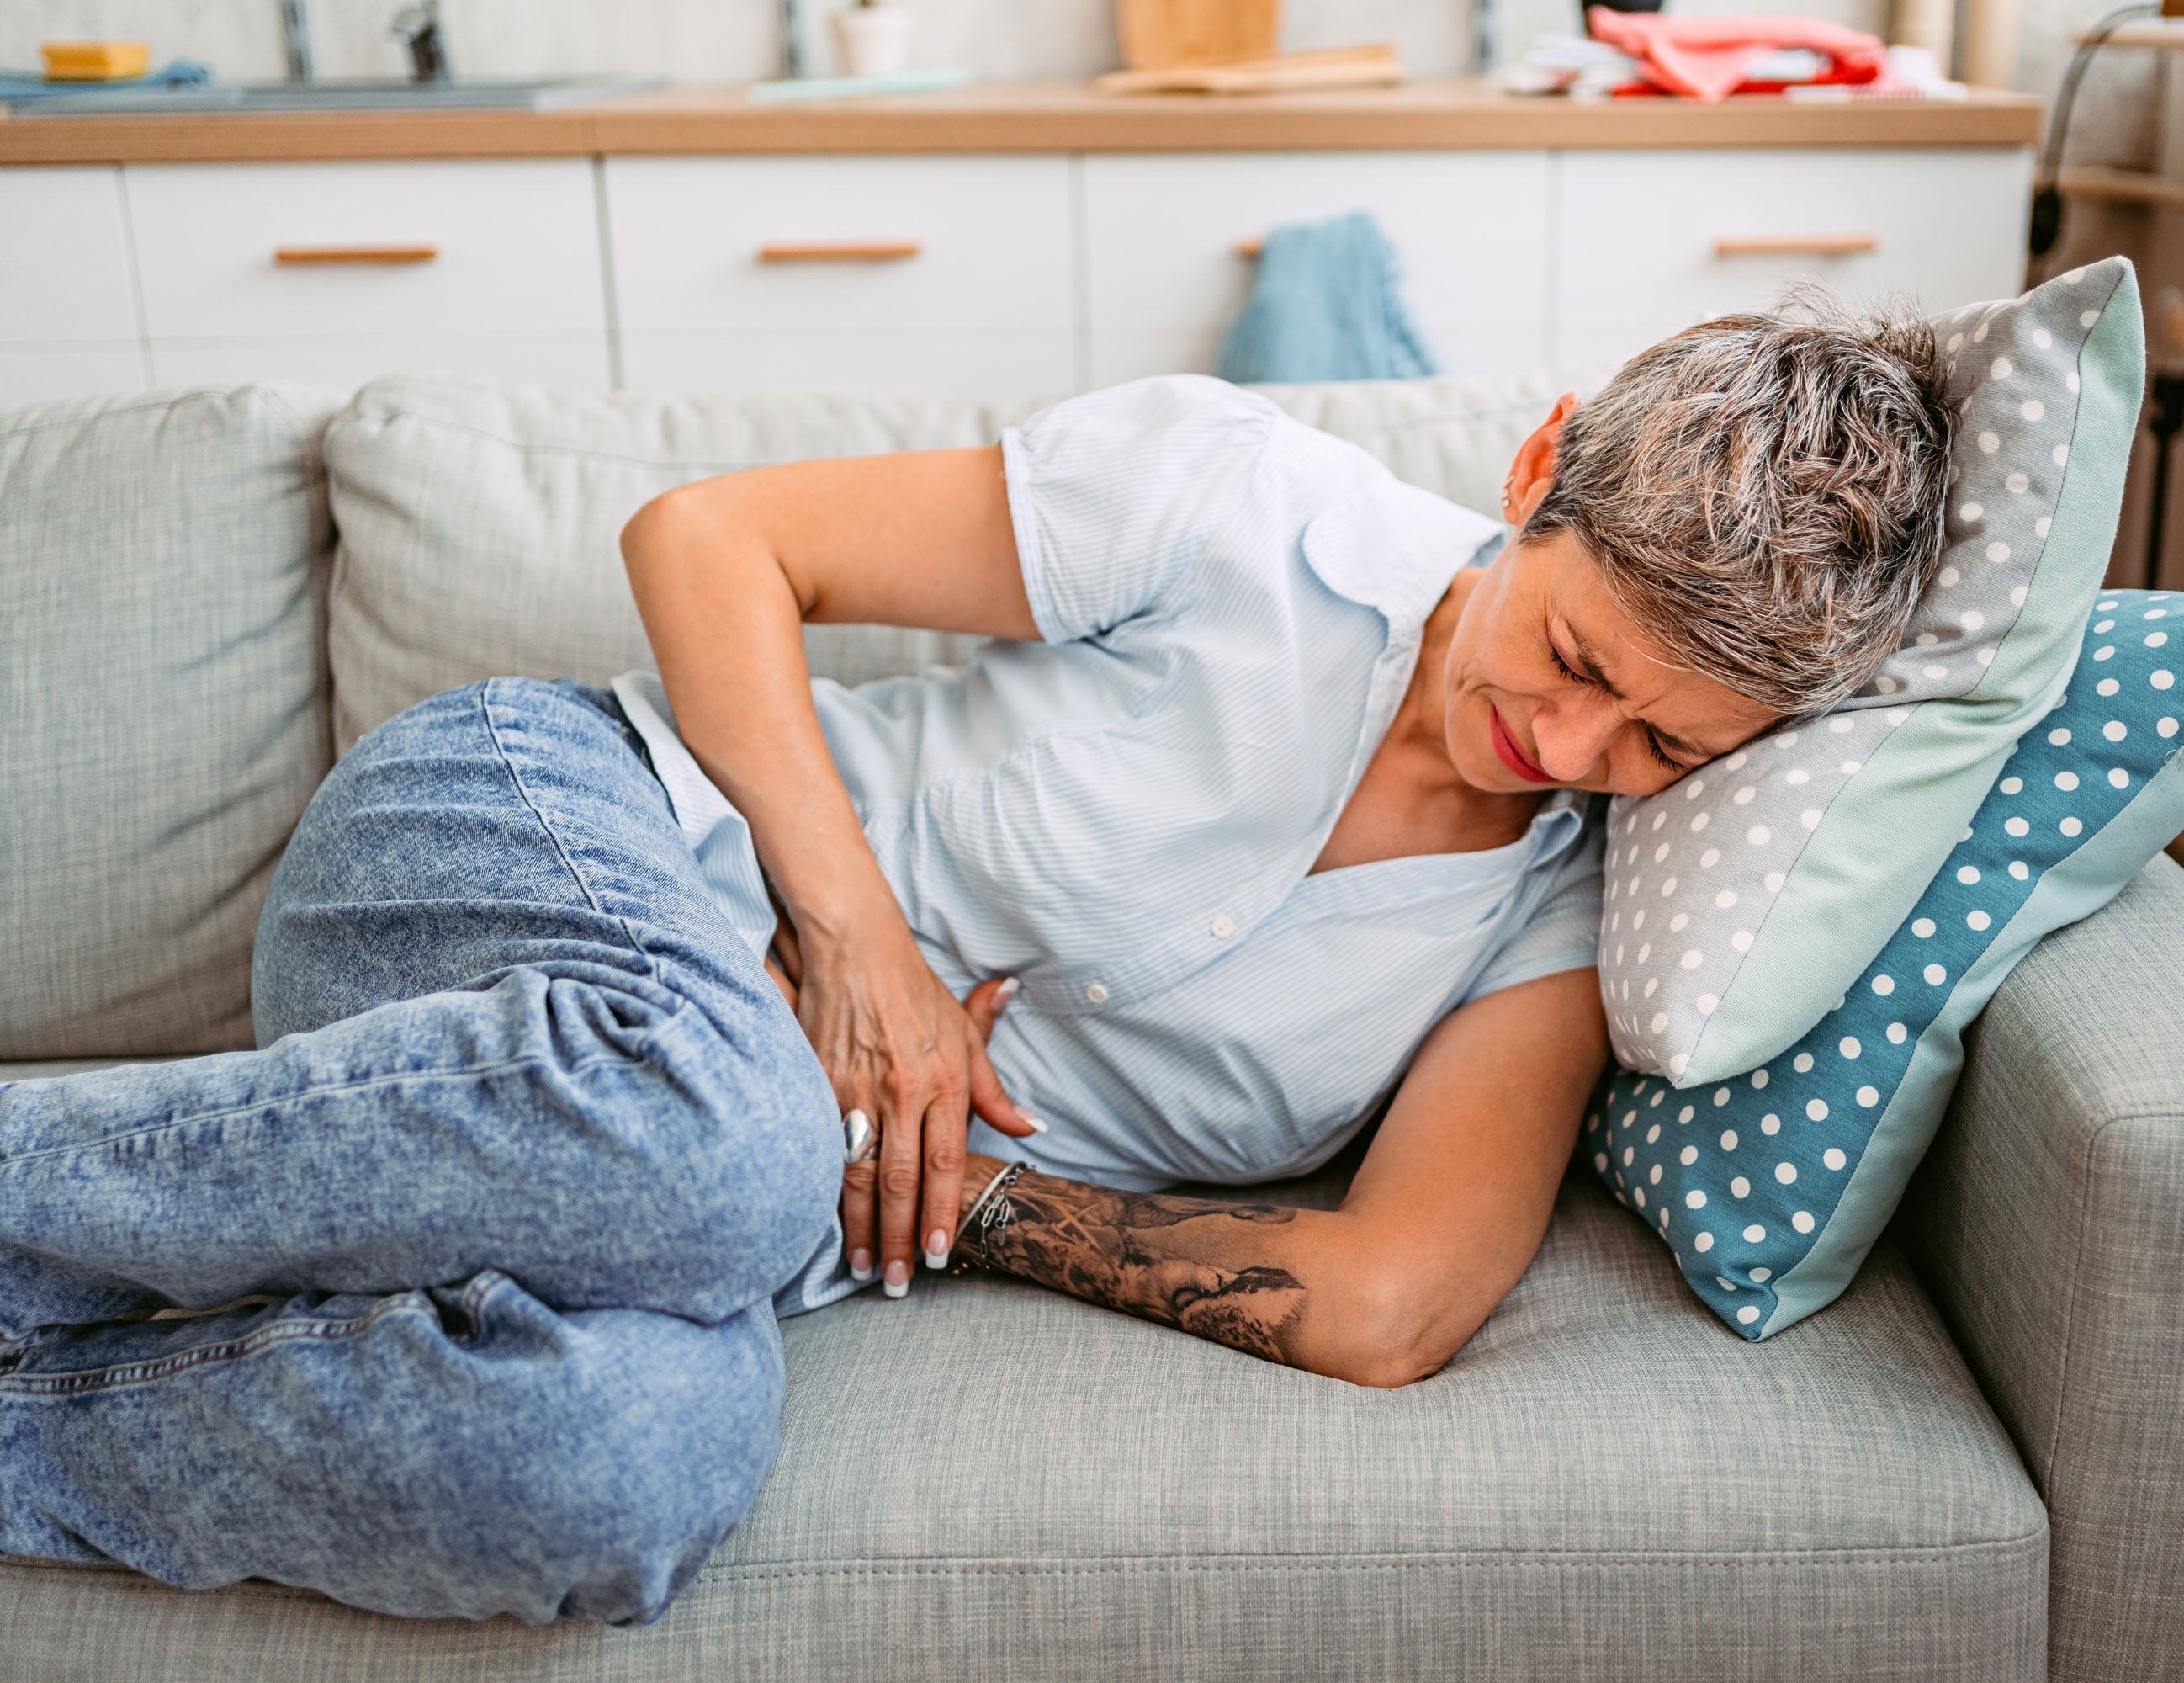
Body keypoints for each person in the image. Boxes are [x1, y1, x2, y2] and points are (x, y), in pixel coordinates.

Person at [0, 305, 1952, 1627]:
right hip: (541, 835)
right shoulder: (1245, 506)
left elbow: (1387, 1302)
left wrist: (961, 1188)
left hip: (686, 1203)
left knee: (619, 1479)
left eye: (1668, 751)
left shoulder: (1549, 923)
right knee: (722, 1140)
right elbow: (708, 543)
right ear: (1542, 470)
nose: (1582, 753)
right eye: (1589, 660)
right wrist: (855, 957)